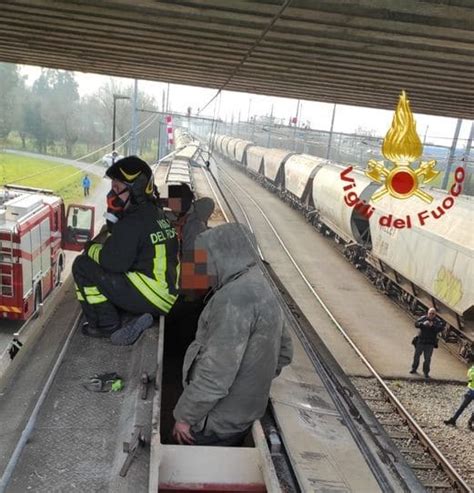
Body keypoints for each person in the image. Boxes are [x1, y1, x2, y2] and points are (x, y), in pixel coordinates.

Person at [172, 223, 293, 446]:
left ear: (221, 257)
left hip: (216, 422)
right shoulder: (265, 284)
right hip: (245, 415)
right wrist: (250, 385)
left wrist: (184, 417)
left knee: (199, 467)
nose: (204, 270)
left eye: (205, 261)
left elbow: (215, 375)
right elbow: (284, 353)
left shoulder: (232, 300)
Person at [72, 156, 179, 345]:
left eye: (117, 190)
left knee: (82, 265)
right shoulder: (158, 213)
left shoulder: (132, 222)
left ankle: (106, 324)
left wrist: (91, 248)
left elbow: (113, 262)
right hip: (168, 294)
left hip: (151, 296)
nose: (111, 196)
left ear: (136, 190)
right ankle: (136, 314)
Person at [410, 307, 444, 379]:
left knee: (427, 358)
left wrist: (432, 326)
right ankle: (414, 368)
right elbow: (416, 324)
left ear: (435, 315)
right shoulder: (423, 318)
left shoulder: (437, 321)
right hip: (421, 340)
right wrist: (422, 324)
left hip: (430, 343)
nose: (431, 315)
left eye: (433, 314)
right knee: (416, 356)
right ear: (427, 313)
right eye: (430, 313)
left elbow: (440, 328)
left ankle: (426, 372)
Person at [444, 354, 474, 430]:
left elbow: (470, 376)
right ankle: (459, 420)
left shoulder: (472, 368)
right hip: (471, 391)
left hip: (470, 391)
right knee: (462, 406)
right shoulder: (472, 368)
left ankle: (465, 421)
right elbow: (470, 376)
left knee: (462, 406)